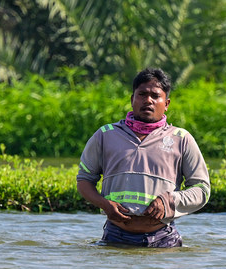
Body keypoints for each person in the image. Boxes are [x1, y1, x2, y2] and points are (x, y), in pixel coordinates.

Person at [77, 68, 210, 247]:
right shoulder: (105, 135)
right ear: (132, 99)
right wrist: (105, 205)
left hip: (164, 239)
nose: (148, 100)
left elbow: (202, 189)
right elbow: (84, 181)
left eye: (155, 95)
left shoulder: (181, 138)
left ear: (167, 103)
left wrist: (169, 201)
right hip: (115, 236)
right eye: (142, 94)